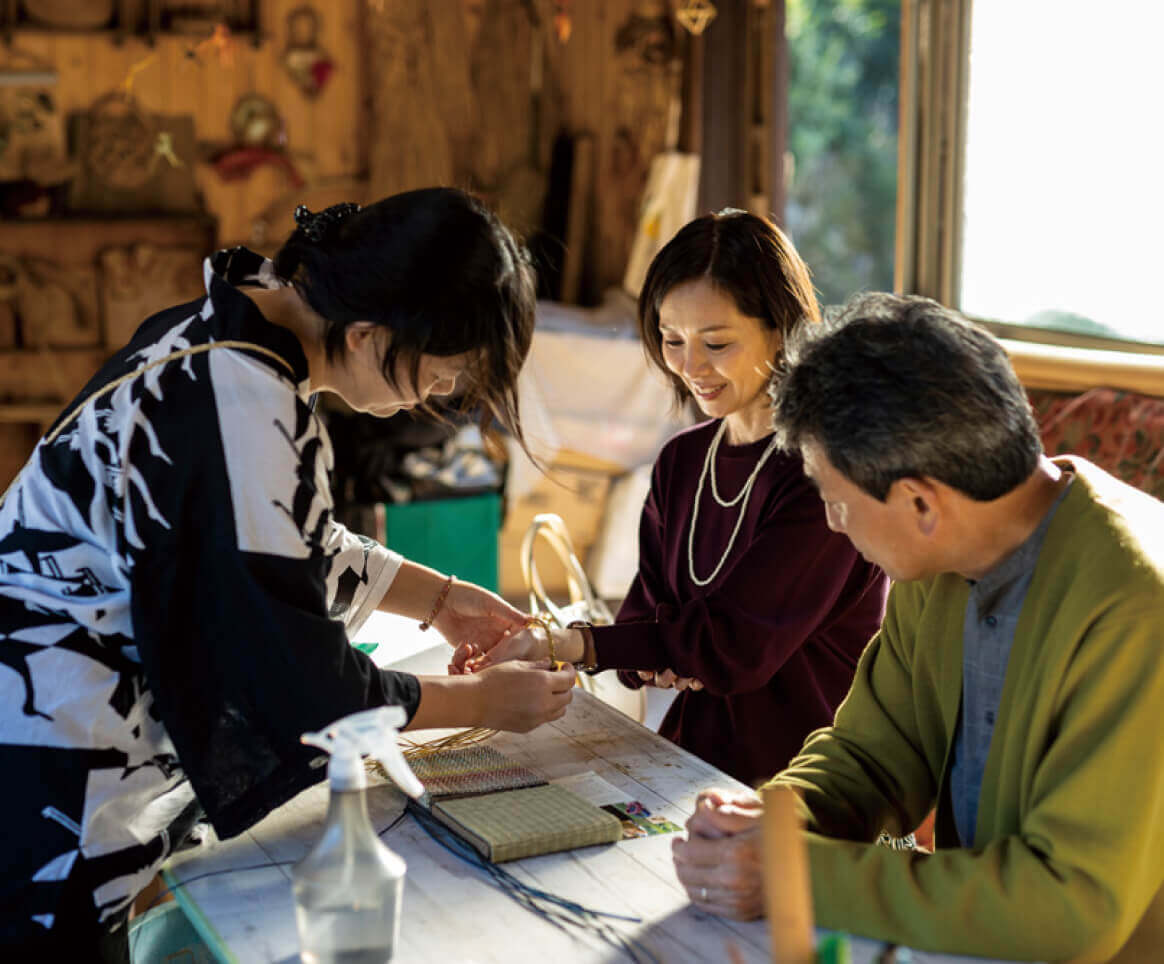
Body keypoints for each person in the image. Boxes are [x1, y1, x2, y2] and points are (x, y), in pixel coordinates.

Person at [0, 188, 577, 961]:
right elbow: (293, 676)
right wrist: (477, 702)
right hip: (49, 769)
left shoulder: (228, 331)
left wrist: (438, 600)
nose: (439, 396)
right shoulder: (238, 397)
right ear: (371, 334)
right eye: (442, 375)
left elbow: (266, 541)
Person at [672, 292, 1164, 963]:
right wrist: (776, 822)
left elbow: (1071, 908)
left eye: (833, 498)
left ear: (921, 503)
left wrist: (794, 874)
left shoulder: (1137, 609)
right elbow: (876, 752)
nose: (831, 524)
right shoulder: (940, 555)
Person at [455, 210, 888, 787]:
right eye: (671, 340)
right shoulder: (682, 461)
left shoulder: (823, 474)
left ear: (782, 330)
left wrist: (566, 643)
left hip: (801, 786)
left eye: (717, 342)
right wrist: (660, 649)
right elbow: (644, 618)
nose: (689, 367)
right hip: (688, 766)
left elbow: (733, 649)